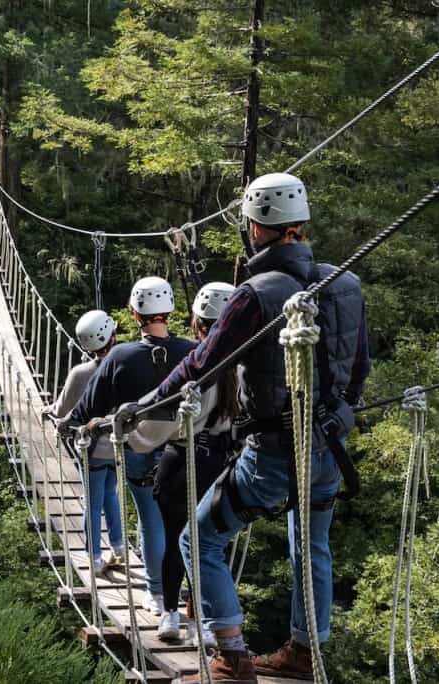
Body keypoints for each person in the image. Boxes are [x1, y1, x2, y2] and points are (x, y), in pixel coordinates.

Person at [148, 173, 371, 683]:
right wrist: (345, 412)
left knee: (197, 539)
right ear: (301, 222)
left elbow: (204, 361)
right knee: (311, 544)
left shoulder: (256, 294)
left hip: (273, 453)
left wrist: (149, 403)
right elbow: (359, 369)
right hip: (329, 450)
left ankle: (231, 654)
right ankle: (302, 649)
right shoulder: (346, 284)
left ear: (255, 226)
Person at [68, 277, 197, 614]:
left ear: (132, 312)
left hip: (139, 449)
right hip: (184, 449)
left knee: (150, 517)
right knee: (184, 523)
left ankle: (155, 593)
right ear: (169, 310)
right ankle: (189, 600)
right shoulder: (193, 352)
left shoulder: (121, 356)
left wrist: (73, 425)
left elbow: (85, 410)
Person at [126, 282, 239, 646]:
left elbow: (165, 424)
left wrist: (128, 433)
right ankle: (206, 622)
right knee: (207, 545)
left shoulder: (193, 365)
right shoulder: (244, 365)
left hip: (181, 461)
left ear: (196, 322)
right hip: (223, 466)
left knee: (176, 539)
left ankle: (172, 616)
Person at [47, 310, 124, 576]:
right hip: (118, 446)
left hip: (90, 449)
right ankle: (119, 547)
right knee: (110, 494)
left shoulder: (79, 373)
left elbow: (62, 411)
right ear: (112, 336)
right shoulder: (124, 365)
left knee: (92, 502)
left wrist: (52, 410)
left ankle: (94, 558)